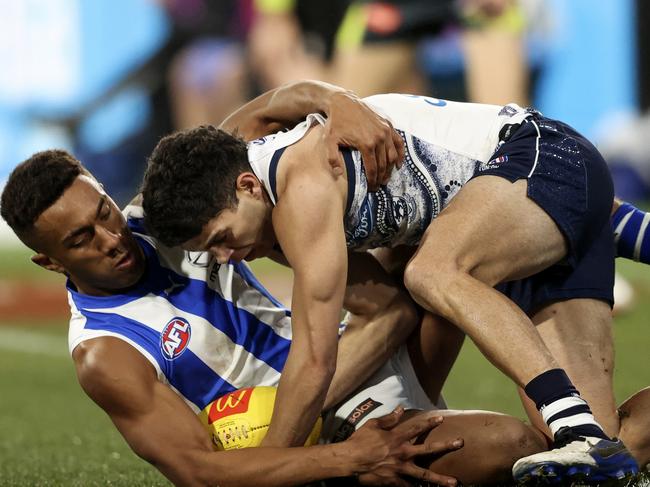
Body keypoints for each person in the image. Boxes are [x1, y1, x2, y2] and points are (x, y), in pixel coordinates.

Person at [0, 83, 551, 486]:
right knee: (514, 448)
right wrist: (349, 458)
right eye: (81, 239)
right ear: (50, 262)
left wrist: (339, 105)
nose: (112, 237)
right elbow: (199, 472)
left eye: (103, 210)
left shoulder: (169, 211)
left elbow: (268, 108)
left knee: (449, 242)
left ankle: (578, 406)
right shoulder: (106, 353)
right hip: (318, 434)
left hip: (353, 349)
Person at [141, 91, 645, 483]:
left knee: (431, 272)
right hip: (514, 210)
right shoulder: (238, 181)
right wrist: (332, 97)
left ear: (247, 188)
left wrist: (271, 465)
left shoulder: (299, 189)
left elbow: (316, 359)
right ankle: (590, 426)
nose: (226, 258)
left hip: (538, 159)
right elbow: (387, 310)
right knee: (611, 450)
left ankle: (578, 430)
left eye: (222, 239)